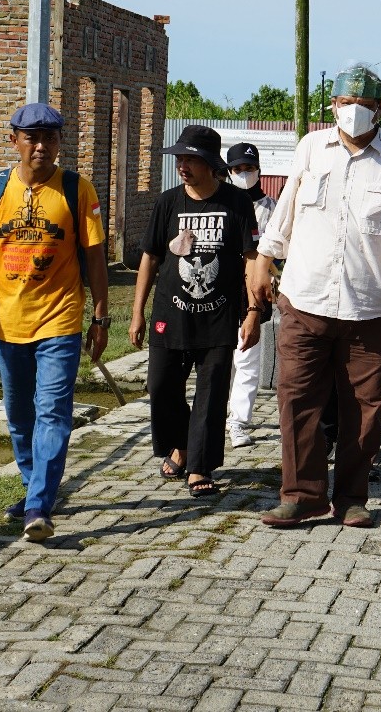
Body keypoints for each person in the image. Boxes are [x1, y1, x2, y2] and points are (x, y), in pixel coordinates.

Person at [249, 64, 381, 529]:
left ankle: (352, 496)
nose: (354, 111)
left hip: (370, 307)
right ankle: (301, 496)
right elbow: (287, 208)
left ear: (379, 110)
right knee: (297, 400)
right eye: (345, 102)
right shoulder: (312, 148)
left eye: (366, 104)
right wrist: (263, 259)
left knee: (364, 407)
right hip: (304, 299)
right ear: (332, 106)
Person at [0, 102, 110, 544]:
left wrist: (100, 316)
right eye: (31, 138)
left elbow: (95, 257)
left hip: (60, 319)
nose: (41, 146)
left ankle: (40, 504)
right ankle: (32, 489)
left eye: (50, 138)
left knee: (53, 412)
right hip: (6, 323)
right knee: (20, 416)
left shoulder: (77, 190)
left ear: (60, 143)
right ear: (15, 141)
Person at [129, 125, 260, 499]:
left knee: (212, 393)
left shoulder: (236, 203)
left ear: (209, 163)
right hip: (170, 313)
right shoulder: (167, 202)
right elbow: (151, 258)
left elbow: (251, 259)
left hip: (219, 316)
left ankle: (199, 465)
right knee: (160, 386)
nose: (182, 165)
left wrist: (253, 312)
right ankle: (182, 444)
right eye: (179, 159)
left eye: (190, 159)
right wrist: (137, 312)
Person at [224, 141, 278, 448]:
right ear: (228, 172)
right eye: (237, 169)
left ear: (259, 169)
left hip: (252, 294)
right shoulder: (222, 204)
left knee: (247, 359)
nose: (244, 174)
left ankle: (239, 423)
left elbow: (276, 254)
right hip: (219, 290)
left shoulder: (271, 208)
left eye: (249, 168)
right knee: (220, 360)